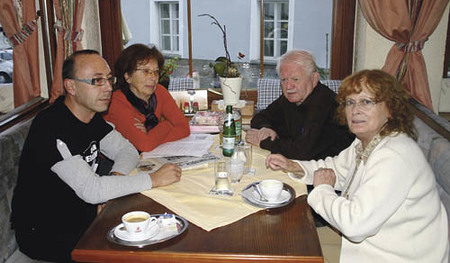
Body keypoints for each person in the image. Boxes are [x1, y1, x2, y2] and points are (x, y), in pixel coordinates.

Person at [10, 50, 182, 262]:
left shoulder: (91, 117)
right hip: (46, 233)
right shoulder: (52, 127)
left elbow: (126, 150)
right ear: (71, 86)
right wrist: (153, 179)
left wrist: (115, 181)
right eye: (97, 81)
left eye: (109, 80)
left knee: (164, 230)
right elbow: (92, 190)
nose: (108, 88)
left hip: (83, 212)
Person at [266, 69, 449, 262]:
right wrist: (294, 166)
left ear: (391, 108)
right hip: (367, 246)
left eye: (366, 102)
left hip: (392, 256)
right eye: (350, 102)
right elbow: (335, 168)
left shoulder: (394, 156)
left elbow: (355, 225)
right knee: (286, 242)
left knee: (287, 252)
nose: (355, 110)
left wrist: (322, 189)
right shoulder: (369, 141)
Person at [246, 49, 354, 161]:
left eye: (295, 79)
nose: (288, 86)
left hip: (330, 170)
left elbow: (301, 152)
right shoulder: (291, 98)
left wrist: (263, 142)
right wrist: (266, 129)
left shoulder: (325, 104)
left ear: (314, 79)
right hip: (301, 166)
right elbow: (260, 117)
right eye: (284, 80)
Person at [104, 44, 190, 152]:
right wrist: (166, 124)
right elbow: (145, 145)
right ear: (128, 76)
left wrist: (151, 134)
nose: (153, 77)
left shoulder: (159, 91)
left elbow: (184, 128)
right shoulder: (116, 103)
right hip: (114, 164)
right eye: (145, 71)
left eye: (156, 72)